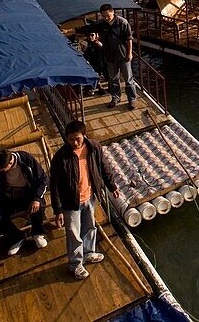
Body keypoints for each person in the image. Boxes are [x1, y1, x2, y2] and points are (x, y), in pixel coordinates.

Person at [49, 120, 121, 280]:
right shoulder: (61, 157)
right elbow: (54, 184)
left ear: (84, 136)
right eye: (70, 139)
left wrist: (112, 186)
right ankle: (75, 264)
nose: (74, 142)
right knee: (73, 234)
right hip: (70, 202)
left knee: (89, 227)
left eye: (77, 139)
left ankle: (89, 252)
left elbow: (103, 167)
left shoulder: (94, 147)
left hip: (89, 197)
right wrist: (58, 210)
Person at [0, 148, 49, 256]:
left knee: (38, 207)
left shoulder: (25, 159)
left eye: (1, 170)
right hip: (7, 194)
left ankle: (37, 233)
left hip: (29, 192)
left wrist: (36, 198)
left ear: (9, 163)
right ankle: (17, 237)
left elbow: (43, 179)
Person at [78, 4, 137, 109]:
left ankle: (132, 99)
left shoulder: (122, 22)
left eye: (107, 15)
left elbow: (129, 39)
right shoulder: (100, 24)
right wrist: (70, 31)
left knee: (128, 79)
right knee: (113, 78)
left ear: (112, 12)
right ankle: (115, 97)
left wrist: (130, 53)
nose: (106, 17)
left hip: (123, 55)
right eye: (103, 15)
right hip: (109, 56)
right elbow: (87, 28)